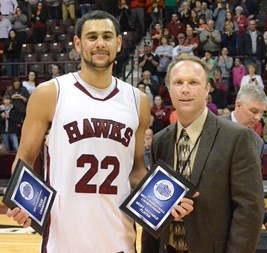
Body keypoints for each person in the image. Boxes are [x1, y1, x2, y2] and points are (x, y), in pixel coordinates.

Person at [6, 11, 196, 253]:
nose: (99, 43)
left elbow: (136, 168)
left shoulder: (138, 100)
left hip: (119, 240)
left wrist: (166, 201)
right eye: (91, 36)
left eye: (107, 37)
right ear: (77, 43)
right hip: (63, 242)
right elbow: (24, 158)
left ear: (118, 43)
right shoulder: (50, 93)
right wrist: (23, 203)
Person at [141, 55, 264, 253]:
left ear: (207, 89)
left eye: (194, 82)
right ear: (169, 90)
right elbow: (153, 210)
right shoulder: (159, 141)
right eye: (178, 82)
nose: (186, 89)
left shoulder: (237, 137)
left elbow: (249, 210)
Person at [222, 84, 267, 233]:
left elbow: (253, 184)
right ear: (238, 105)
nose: (257, 117)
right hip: (208, 220)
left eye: (261, 113)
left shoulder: (258, 142)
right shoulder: (211, 127)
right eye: (254, 111)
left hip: (240, 224)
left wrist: (266, 217)